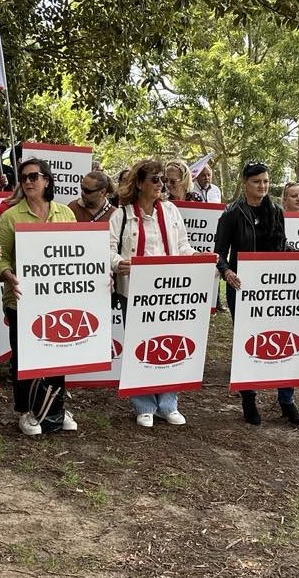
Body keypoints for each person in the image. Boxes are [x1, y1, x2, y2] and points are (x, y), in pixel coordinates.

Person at [214, 161, 299, 427]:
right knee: (249, 343)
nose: (262, 186)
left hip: (274, 289)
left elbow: (281, 245)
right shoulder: (232, 213)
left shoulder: (276, 211)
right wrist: (227, 272)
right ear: (245, 183)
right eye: (257, 182)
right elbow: (219, 252)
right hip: (242, 287)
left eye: (266, 181)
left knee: (283, 340)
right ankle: (248, 397)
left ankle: (286, 399)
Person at [0, 158, 79, 435]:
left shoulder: (65, 214)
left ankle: (55, 408)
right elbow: (1, 259)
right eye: (24, 177)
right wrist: (8, 275)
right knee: (25, 356)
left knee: (58, 352)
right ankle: (26, 411)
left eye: (34, 176)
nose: (28, 182)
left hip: (58, 299)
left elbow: (78, 254)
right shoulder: (10, 216)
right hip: (21, 300)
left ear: (47, 180)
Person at [111, 160, 196, 427]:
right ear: (139, 183)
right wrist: (117, 263)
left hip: (169, 291)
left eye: (163, 180)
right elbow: (108, 248)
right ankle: (144, 403)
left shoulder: (170, 211)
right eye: (155, 180)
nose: (162, 185)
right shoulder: (122, 215)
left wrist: (200, 260)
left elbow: (183, 245)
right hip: (134, 291)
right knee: (141, 345)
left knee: (169, 343)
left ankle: (168, 403)